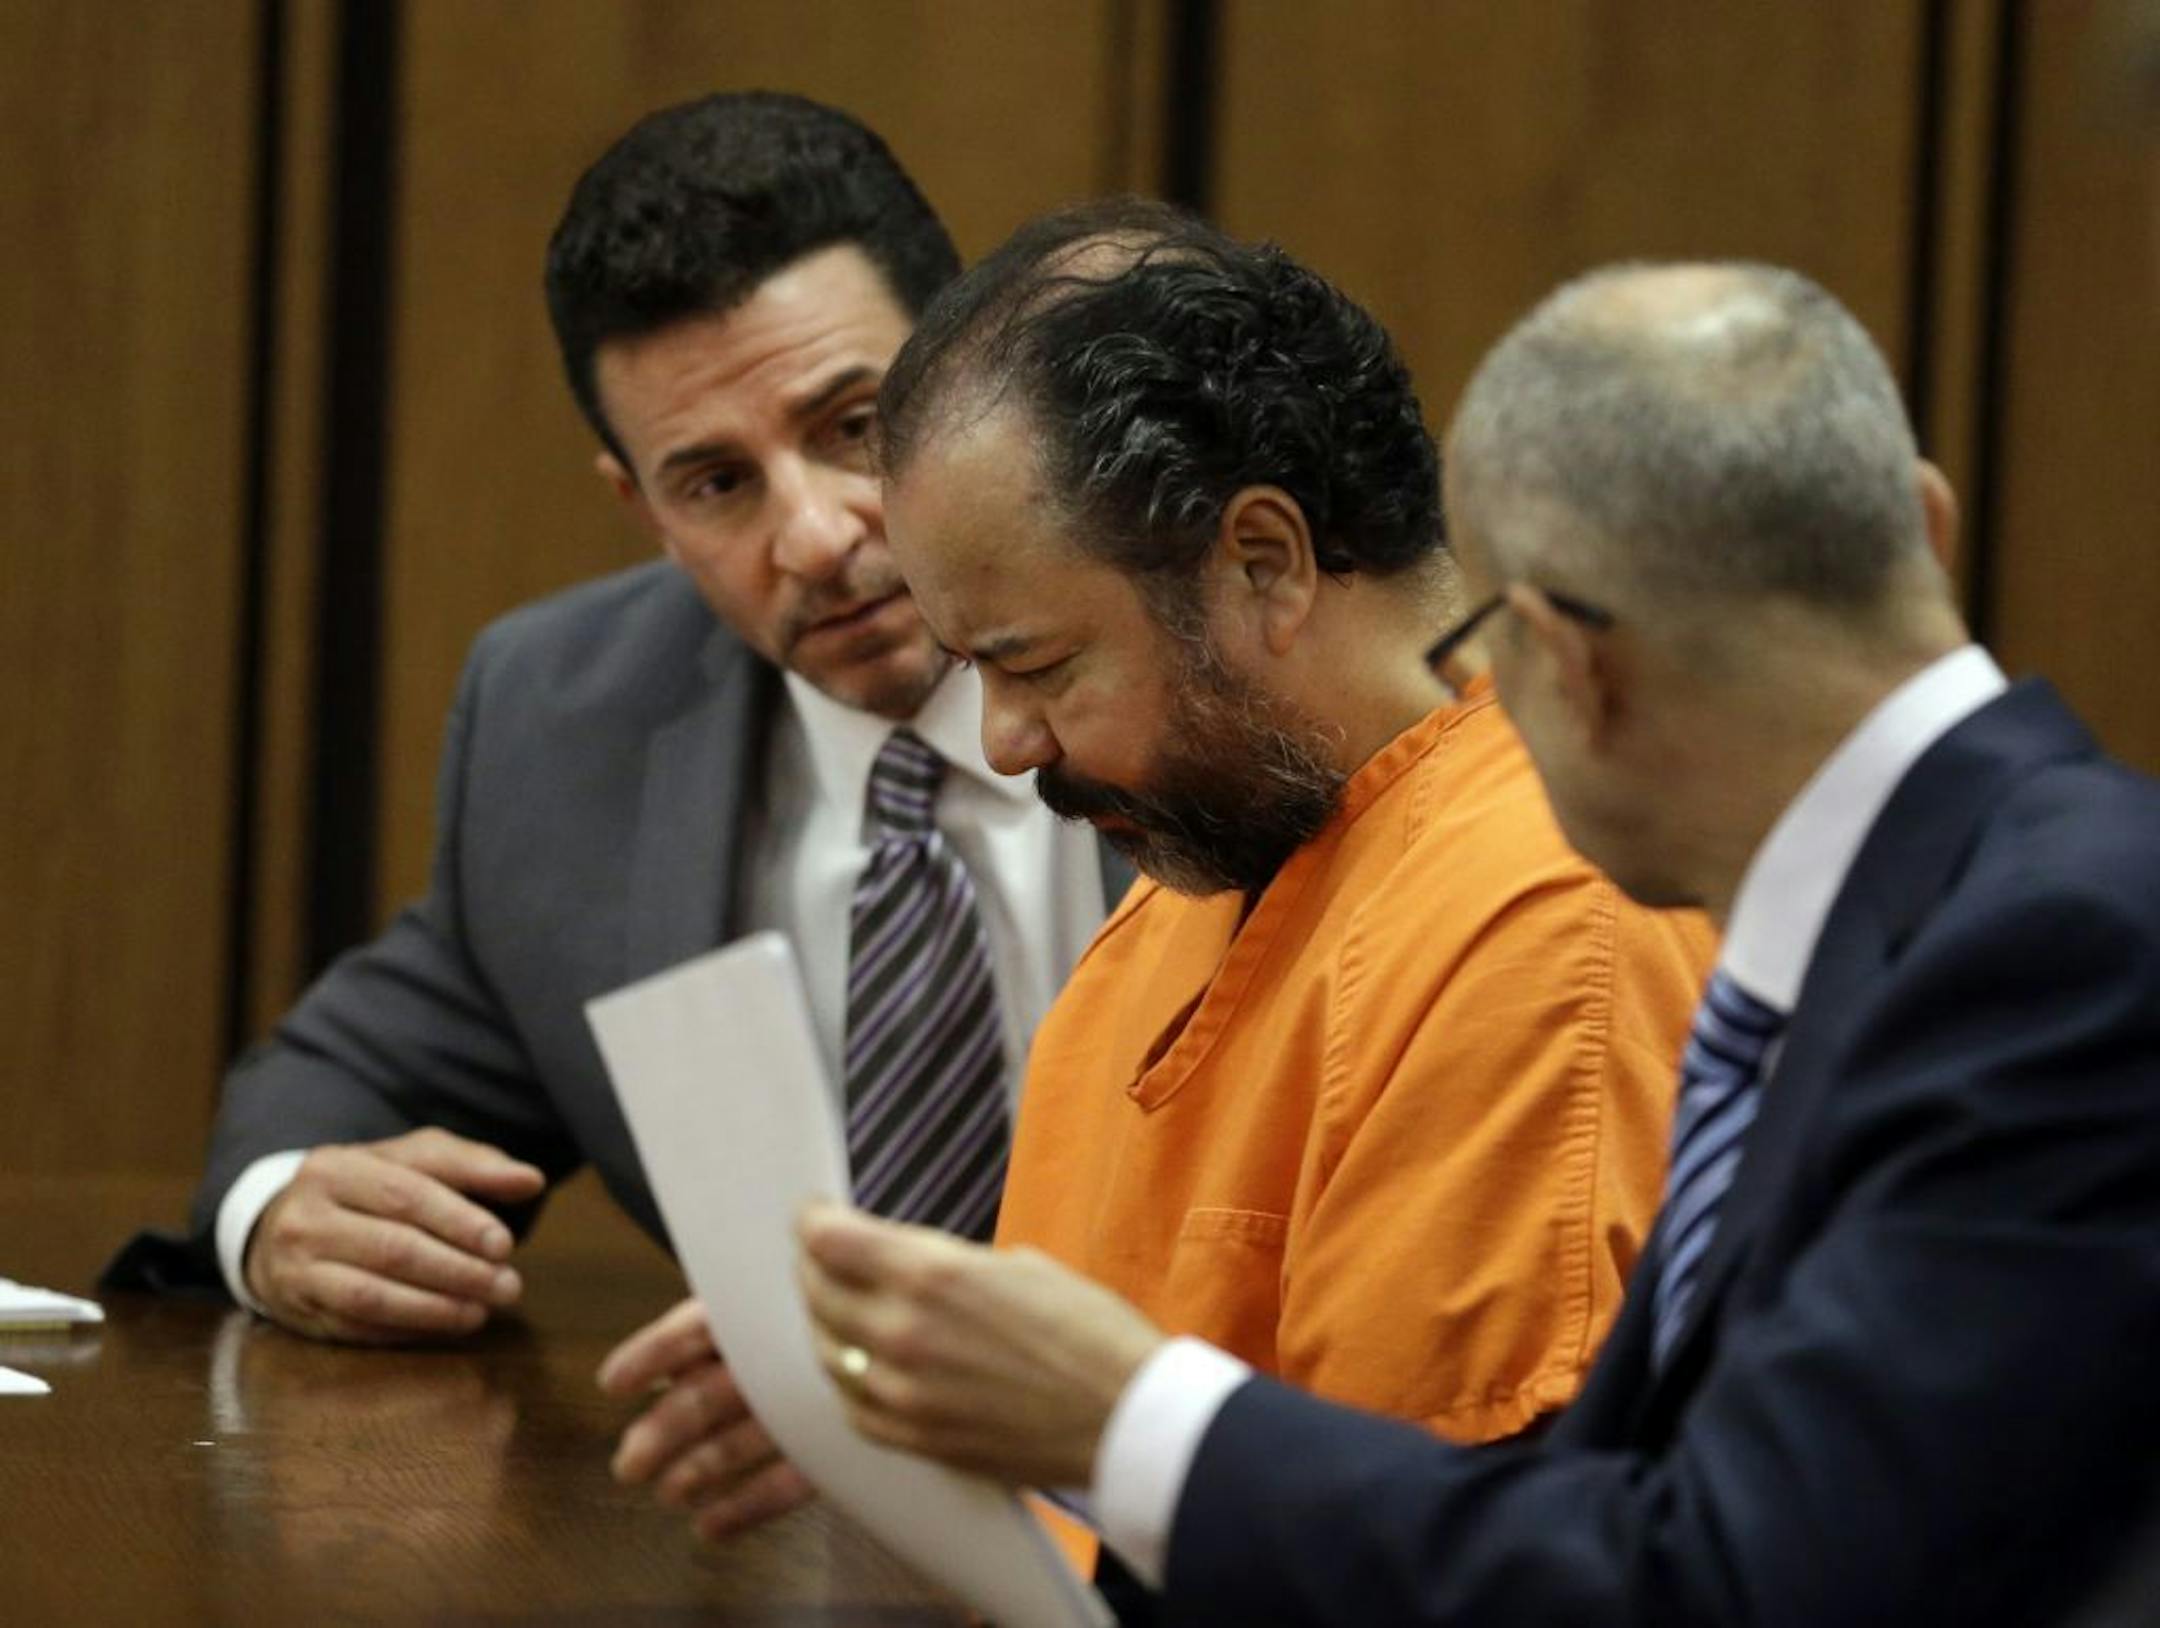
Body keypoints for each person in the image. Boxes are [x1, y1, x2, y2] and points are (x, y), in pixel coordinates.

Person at [796, 258, 2160, 1626]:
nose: (1479, 699)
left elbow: (1723, 1581)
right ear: (1925, 524)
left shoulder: (2058, 947)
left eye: (1485, 641)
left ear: (1565, 662)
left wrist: (1128, 1419)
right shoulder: (1927, 921)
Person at [105, 93, 1120, 1536]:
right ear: (642, 508)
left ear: (976, 376)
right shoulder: (569, 720)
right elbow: (341, 1077)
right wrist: (280, 1211)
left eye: (855, 426)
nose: (813, 535)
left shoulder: (1193, 651)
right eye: (715, 483)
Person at [788, 203, 1710, 1577]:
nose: (1005, 743)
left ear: (1264, 561)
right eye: (972, 671)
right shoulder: (1217, 849)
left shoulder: (1547, 916)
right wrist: (887, 1387)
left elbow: (1443, 1576)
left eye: (1035, 665)